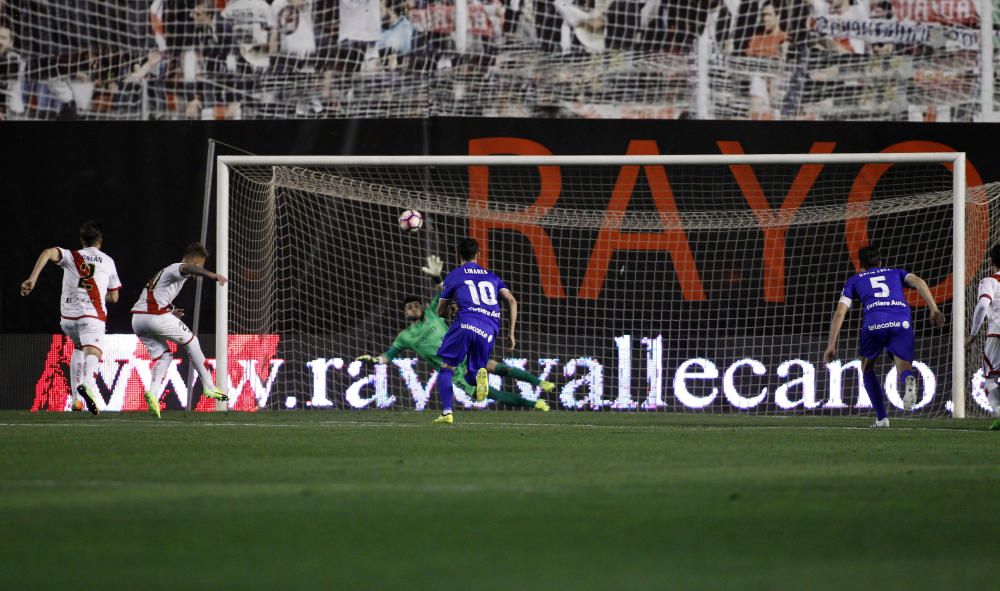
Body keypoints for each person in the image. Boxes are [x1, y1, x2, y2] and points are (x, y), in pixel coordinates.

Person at [358, 255, 552, 421]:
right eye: (409, 307)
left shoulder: (432, 314)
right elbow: (388, 356)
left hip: (462, 353)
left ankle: (539, 383)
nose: (414, 308)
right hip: (456, 371)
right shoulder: (404, 337)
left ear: (422, 307)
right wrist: (375, 360)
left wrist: (436, 277)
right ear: (404, 313)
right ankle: (535, 403)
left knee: (499, 368)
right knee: (490, 393)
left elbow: (444, 291)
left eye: (416, 305)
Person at [823, 245, 944, 427]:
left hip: (874, 322)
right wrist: (933, 308)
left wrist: (831, 344)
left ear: (860, 265)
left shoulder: (855, 280)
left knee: (866, 367)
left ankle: (881, 418)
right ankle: (908, 380)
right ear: (881, 262)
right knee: (903, 365)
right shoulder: (896, 273)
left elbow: (840, 312)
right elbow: (919, 281)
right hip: (901, 321)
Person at [20, 220, 121, 415]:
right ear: (100, 240)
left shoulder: (71, 256)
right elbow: (114, 297)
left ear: (82, 240)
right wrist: (99, 293)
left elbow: (48, 252)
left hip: (67, 319)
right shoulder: (108, 261)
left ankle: (76, 400)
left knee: (78, 347)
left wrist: (32, 279)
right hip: (91, 316)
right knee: (94, 351)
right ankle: (88, 386)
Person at [435, 240, 529, 423]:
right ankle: (480, 377)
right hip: (489, 328)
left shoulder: (454, 276)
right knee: (472, 377)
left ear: (458, 254)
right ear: (478, 254)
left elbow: (440, 312)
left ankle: (447, 413)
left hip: (465, 324)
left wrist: (452, 308)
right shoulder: (492, 277)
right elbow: (512, 301)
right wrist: (511, 333)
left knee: (447, 369)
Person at [131, 242, 229, 419]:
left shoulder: (165, 273)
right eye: (200, 265)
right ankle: (209, 386)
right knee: (192, 341)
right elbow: (186, 267)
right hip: (154, 317)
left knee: (165, 356)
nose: (199, 270)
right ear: (195, 261)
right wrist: (212, 275)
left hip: (138, 320)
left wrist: (170, 311)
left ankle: (152, 393)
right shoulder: (177, 268)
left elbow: (155, 295)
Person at [965, 244, 1000, 430]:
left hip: (997, 335)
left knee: (990, 378)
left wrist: (972, 334)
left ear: (992, 261)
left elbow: (982, 306)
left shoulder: (990, 281)